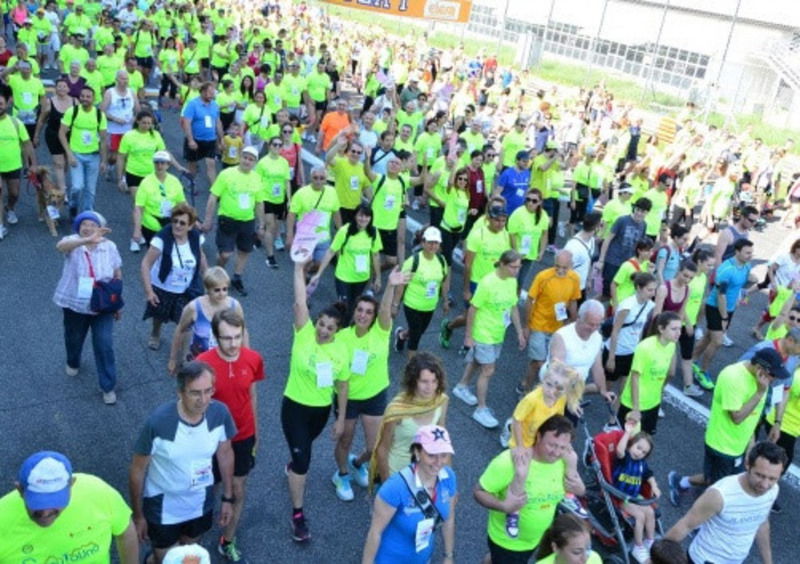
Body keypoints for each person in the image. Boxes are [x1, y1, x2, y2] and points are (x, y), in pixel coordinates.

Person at [129, 361, 236, 564]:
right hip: (163, 509)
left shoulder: (220, 414)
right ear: (180, 392)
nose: (203, 400)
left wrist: (227, 498)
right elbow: (137, 470)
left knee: (187, 555)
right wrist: (138, 516)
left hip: (200, 504)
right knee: (168, 560)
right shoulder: (158, 423)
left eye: (208, 391)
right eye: (195, 393)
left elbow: (225, 453)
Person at [282, 260, 350, 542]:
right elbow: (300, 302)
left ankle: (293, 466)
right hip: (294, 406)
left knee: (304, 449)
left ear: (337, 331)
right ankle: (298, 515)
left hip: (320, 412)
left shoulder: (341, 351)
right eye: (321, 324)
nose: (323, 330)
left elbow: (342, 385)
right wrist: (298, 269)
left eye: (330, 328)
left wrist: (341, 418)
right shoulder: (304, 334)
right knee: (304, 460)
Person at [667, 348, 788, 504]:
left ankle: (681, 482)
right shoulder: (734, 377)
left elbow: (753, 416)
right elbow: (737, 417)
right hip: (721, 445)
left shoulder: (761, 382)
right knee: (720, 490)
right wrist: (758, 393)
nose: (774, 379)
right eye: (773, 374)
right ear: (760, 369)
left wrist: (749, 446)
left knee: (723, 479)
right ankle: (701, 521)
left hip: (738, 445)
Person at [332, 269, 408, 501]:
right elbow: (338, 375)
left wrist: (391, 286)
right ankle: (342, 474)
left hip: (374, 396)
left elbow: (385, 310)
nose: (363, 315)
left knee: (375, 445)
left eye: (368, 312)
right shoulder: (342, 337)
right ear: (354, 312)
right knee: (345, 439)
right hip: (348, 397)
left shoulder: (381, 332)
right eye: (360, 310)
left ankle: (357, 464)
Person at [196, 310, 265, 562]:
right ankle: (196, 538)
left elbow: (252, 396)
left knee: (238, 488)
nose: (233, 343)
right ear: (215, 337)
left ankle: (228, 539)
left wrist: (256, 431)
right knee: (206, 489)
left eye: (237, 336)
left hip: (243, 436)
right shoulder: (202, 363)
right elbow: (193, 404)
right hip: (211, 441)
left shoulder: (253, 359)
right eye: (227, 338)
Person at [474, 415, 585, 564]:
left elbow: (577, 491)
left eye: (562, 447)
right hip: (508, 542)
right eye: (552, 445)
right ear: (538, 436)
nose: (556, 452)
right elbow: (478, 492)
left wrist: (580, 489)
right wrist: (504, 506)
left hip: (537, 539)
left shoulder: (564, 462)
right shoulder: (509, 462)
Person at [0, 450, 138, 563]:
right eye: (38, 502)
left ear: (71, 485)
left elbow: (125, 531)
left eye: (54, 501)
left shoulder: (98, 492)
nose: (45, 513)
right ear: (20, 490)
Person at [665, 441, 787, 564]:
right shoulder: (720, 494)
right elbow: (685, 525)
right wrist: (654, 558)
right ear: (747, 465)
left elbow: (762, 524)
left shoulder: (773, 490)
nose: (765, 485)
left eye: (772, 478)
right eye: (760, 475)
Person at [500, 361, 584, 536]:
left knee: (572, 457)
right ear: (543, 380)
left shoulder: (559, 400)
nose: (552, 391)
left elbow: (558, 421)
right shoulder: (532, 399)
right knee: (522, 472)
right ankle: (513, 511)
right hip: (524, 441)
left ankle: (568, 495)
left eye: (559, 388)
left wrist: (563, 444)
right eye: (549, 384)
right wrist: (521, 446)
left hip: (542, 441)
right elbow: (516, 420)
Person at [53, 211, 122, 405]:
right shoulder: (74, 243)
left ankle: (108, 386)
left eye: (93, 224)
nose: (88, 227)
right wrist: (86, 240)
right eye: (85, 224)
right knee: (73, 337)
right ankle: (73, 360)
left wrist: (118, 303)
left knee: (104, 344)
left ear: (101, 228)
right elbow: (60, 246)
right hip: (76, 304)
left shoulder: (110, 247)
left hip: (103, 305)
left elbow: (117, 272)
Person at [362, 425, 457, 564]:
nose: (438, 462)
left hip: (423, 558)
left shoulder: (449, 477)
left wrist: (448, 556)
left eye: (444, 455)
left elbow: (449, 519)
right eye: (431, 455)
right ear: (417, 452)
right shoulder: (395, 487)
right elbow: (375, 532)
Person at [453, 250, 526, 429]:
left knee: (478, 362)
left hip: (498, 333)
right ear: (502, 264)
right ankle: (481, 409)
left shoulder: (512, 281)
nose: (516, 271)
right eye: (513, 267)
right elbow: (473, 309)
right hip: (483, 333)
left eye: (519, 267)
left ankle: (462, 386)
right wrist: (469, 336)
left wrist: (519, 332)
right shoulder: (487, 283)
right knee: (488, 370)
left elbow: (513, 307)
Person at [440, 199, 511, 349]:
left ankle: (474, 345)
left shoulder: (505, 235)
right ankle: (449, 327)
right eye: (497, 220)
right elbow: (468, 264)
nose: (500, 224)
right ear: (489, 218)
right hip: (476, 282)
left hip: (494, 283)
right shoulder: (478, 234)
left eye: (503, 221)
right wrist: (466, 289)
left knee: (484, 316)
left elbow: (504, 260)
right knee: (469, 316)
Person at [372, 353, 450, 482]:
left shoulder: (441, 401)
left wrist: (446, 477)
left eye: (434, 381)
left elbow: (441, 441)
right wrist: (387, 484)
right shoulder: (397, 410)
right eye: (424, 381)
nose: (430, 387)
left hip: (426, 472)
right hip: (397, 474)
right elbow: (382, 449)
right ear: (413, 381)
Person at [692, 238, 758, 389]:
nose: (750, 255)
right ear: (737, 251)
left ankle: (692, 359)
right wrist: (724, 316)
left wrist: (741, 296)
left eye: (751, 252)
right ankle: (702, 371)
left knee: (709, 336)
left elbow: (741, 284)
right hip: (716, 307)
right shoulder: (726, 270)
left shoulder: (746, 266)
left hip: (729, 308)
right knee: (717, 341)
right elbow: (721, 295)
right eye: (747, 252)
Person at [140, 203, 207, 351]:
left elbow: (201, 257)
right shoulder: (161, 239)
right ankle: (155, 333)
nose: (177, 225)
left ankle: (182, 352)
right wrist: (149, 292)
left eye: (182, 223)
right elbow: (145, 264)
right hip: (163, 286)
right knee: (159, 316)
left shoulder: (195, 237)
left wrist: (208, 277)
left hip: (186, 289)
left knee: (186, 322)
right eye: (175, 221)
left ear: (190, 226)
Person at [201, 146, 265, 297]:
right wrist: (208, 219)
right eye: (245, 157)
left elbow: (259, 202)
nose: (247, 161)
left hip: (247, 221)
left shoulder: (257, 178)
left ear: (255, 163)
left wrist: (261, 224)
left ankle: (237, 277)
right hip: (227, 219)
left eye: (251, 159)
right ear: (240, 157)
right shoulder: (226, 174)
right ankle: (217, 275)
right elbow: (213, 196)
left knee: (244, 251)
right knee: (225, 254)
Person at [520, 249, 581, 393]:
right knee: (538, 362)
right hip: (539, 324)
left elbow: (573, 301)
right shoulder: (543, 276)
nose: (560, 270)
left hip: (558, 328)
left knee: (551, 363)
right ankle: (527, 390)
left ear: (571, 265)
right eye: (557, 266)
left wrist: (573, 322)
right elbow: (530, 300)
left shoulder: (574, 279)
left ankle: (533, 387)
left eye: (564, 268)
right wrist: (526, 326)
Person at [167, 266, 248, 374]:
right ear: (207, 289)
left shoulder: (235, 306)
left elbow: (243, 332)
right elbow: (180, 330)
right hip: (199, 361)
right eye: (217, 290)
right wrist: (173, 359)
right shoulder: (194, 307)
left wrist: (246, 358)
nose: (222, 293)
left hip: (226, 359)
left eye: (225, 289)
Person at [603, 272, 657, 426]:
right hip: (617, 351)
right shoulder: (627, 306)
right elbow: (615, 331)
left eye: (654, 290)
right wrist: (612, 357)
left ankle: (612, 420)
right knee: (605, 389)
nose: (653, 293)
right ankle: (582, 391)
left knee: (624, 389)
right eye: (649, 290)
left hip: (632, 352)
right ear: (639, 288)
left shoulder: (649, 305)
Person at [618, 312, 681, 435]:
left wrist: (659, 391)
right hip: (633, 404)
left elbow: (668, 373)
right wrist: (636, 409)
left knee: (645, 440)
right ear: (661, 329)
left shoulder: (671, 345)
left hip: (653, 403)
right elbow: (635, 378)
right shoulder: (645, 348)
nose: (678, 333)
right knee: (625, 442)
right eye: (674, 329)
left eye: (679, 328)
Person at [311, 203, 383, 311]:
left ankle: (346, 326)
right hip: (343, 276)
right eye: (360, 215)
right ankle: (340, 325)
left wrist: (378, 277)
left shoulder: (373, 232)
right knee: (344, 306)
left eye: (367, 216)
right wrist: (318, 274)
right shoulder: (345, 231)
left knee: (354, 306)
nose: (363, 219)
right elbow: (331, 252)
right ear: (355, 216)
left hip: (362, 277)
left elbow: (376, 255)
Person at [393, 226, 450, 357]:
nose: (433, 246)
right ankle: (411, 371)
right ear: (423, 242)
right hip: (412, 304)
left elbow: (444, 281)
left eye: (436, 243)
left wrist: (445, 300)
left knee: (418, 331)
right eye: (430, 242)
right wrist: (395, 305)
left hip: (429, 306)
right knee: (415, 338)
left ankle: (401, 335)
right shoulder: (413, 261)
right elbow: (401, 284)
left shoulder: (441, 261)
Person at [546, 300, 615, 403]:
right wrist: (570, 397)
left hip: (574, 387)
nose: (594, 329)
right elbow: (557, 370)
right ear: (579, 319)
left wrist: (604, 391)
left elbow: (597, 367)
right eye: (591, 324)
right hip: (555, 388)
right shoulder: (562, 337)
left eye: (598, 325)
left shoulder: (597, 338)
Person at [612, 417, 661, 563]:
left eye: (644, 452)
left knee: (650, 511)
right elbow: (620, 450)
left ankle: (650, 541)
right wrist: (627, 433)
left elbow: (648, 474)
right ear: (630, 445)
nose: (639, 453)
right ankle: (638, 546)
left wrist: (654, 485)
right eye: (638, 448)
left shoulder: (641, 463)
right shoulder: (624, 457)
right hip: (621, 496)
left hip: (635, 495)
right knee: (639, 516)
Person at [58, 85, 108, 214]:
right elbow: (61, 133)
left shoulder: (99, 115)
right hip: (76, 155)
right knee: (77, 186)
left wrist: (104, 160)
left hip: (93, 156)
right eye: (83, 96)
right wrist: (69, 155)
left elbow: (103, 139)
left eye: (88, 96)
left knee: (90, 189)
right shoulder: (72, 112)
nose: (85, 99)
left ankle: (87, 214)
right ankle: (73, 206)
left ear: (94, 98)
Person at [286, 165, 343, 274]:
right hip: (305, 237)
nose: (318, 181)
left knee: (320, 264)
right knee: (304, 263)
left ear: (326, 179)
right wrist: (289, 235)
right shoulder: (301, 193)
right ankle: (302, 284)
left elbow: (336, 212)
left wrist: (340, 231)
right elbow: (292, 215)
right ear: (310, 178)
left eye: (322, 178)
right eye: (315, 178)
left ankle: (306, 275)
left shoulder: (332, 192)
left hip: (323, 238)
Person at [132, 150, 188, 248]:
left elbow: (182, 203)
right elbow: (138, 208)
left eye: (163, 163)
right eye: (157, 162)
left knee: (169, 251)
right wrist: (137, 229)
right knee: (154, 252)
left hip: (171, 221)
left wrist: (193, 221)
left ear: (168, 165)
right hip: (151, 222)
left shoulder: (174, 181)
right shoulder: (146, 182)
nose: (159, 166)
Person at [597, 198, 652, 298]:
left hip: (629, 264)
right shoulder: (622, 220)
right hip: (613, 261)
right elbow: (608, 239)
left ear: (647, 213)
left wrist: (644, 262)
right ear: (634, 208)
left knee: (621, 291)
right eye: (638, 210)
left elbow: (641, 247)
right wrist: (601, 260)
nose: (639, 213)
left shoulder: (644, 225)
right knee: (607, 292)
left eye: (643, 211)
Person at [0, 89, 35, 237]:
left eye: (0, 103)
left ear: (7, 103)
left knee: (14, 193)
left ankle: (10, 207)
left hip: (13, 165)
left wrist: (32, 164)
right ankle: (1, 226)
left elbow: (27, 144)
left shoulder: (16, 123)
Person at [33, 77, 74, 196]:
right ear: (55, 89)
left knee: (66, 162)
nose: (61, 88)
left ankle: (60, 184)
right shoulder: (49, 102)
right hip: (53, 134)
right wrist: (36, 135)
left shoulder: (75, 102)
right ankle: (62, 192)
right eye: (59, 86)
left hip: (70, 135)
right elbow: (41, 120)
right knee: (58, 163)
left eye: (64, 86)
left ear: (68, 89)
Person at [255, 135, 292, 268]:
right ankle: (270, 257)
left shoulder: (284, 162)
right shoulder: (263, 162)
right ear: (269, 146)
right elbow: (257, 181)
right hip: (266, 198)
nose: (277, 147)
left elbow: (287, 181)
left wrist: (289, 199)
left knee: (275, 225)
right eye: (274, 144)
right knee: (270, 226)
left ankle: (258, 237)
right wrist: (258, 199)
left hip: (280, 199)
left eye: (279, 145)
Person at [181, 81, 224, 186]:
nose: (212, 95)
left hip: (210, 140)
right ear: (203, 92)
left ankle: (214, 190)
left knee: (211, 165)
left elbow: (218, 122)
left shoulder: (214, 105)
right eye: (210, 92)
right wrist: (190, 140)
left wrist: (221, 139)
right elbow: (186, 122)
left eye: (213, 92)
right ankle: (191, 183)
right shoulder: (193, 104)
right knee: (193, 165)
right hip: (195, 140)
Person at [508, 188, 550, 291]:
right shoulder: (518, 213)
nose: (530, 203)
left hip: (530, 254)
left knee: (521, 281)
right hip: (516, 254)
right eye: (528, 199)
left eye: (534, 201)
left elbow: (544, 234)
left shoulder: (543, 215)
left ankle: (514, 303)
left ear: (540, 202)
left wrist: (541, 251)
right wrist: (516, 253)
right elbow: (511, 234)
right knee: (510, 279)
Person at [534, 513, 602, 564]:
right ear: (556, 548)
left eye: (588, 549)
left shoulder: (595, 558)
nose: (585, 559)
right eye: (577, 552)